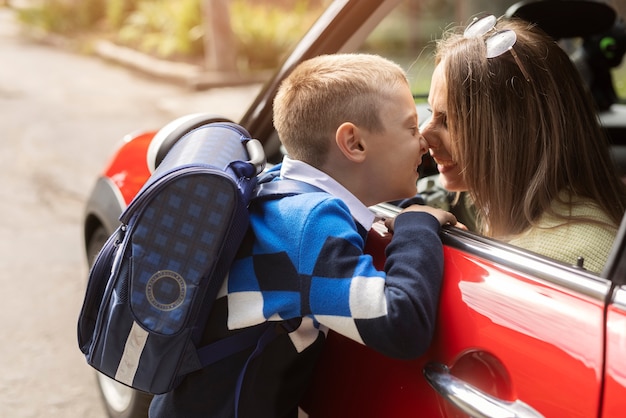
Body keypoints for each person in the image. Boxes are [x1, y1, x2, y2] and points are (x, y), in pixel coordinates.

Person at [149, 53, 459, 417]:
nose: (422, 140)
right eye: (410, 127)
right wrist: (416, 226)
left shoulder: (278, 189)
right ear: (354, 144)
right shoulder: (310, 224)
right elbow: (401, 325)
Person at [421, 14, 626, 274]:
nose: (424, 136)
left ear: (511, 134)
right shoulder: (521, 210)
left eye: (449, 121)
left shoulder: (557, 259)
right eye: (431, 113)